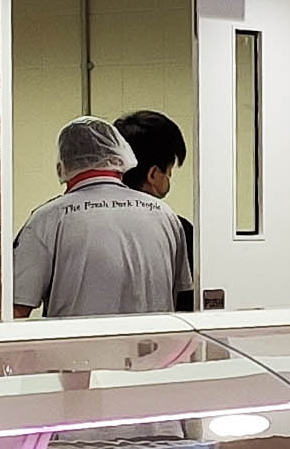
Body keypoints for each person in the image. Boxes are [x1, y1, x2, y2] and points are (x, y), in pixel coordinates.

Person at [12, 115, 194, 318]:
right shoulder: (166, 217)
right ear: (119, 155)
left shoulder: (47, 219)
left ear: (63, 164)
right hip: (153, 348)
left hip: (75, 348)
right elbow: (180, 303)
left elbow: (16, 310)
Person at [114, 108, 198, 313]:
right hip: (158, 341)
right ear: (153, 174)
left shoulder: (66, 218)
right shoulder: (175, 227)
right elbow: (188, 305)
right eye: (169, 172)